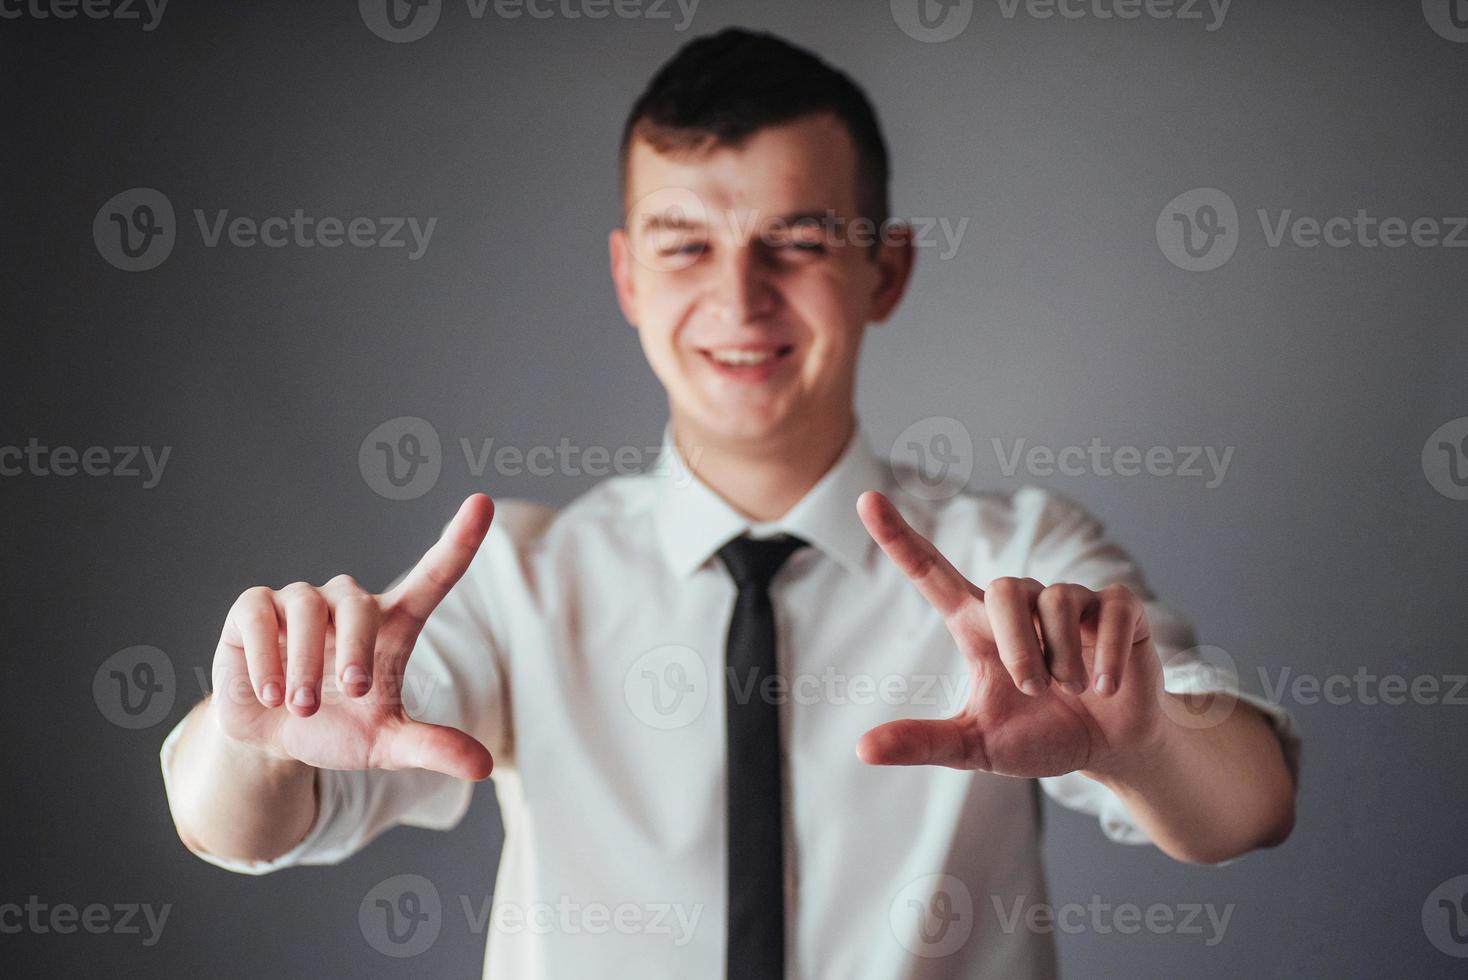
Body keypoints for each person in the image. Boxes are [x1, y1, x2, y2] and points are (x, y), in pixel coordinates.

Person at [160, 28, 1299, 980]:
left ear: (885, 270)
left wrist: (1140, 746)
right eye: (685, 246)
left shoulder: (1018, 555)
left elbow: (1246, 802)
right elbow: (240, 823)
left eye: (794, 243)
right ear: (627, 277)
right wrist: (257, 739)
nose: (737, 298)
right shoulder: (517, 575)